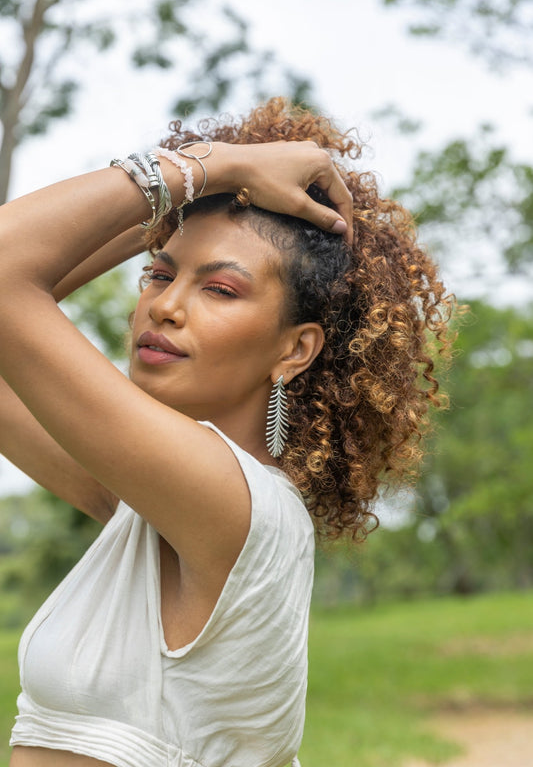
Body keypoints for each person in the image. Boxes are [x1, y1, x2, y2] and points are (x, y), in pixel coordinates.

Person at [0, 97, 453, 767]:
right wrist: (188, 202)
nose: (165, 306)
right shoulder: (153, 503)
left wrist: (216, 166)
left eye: (220, 290)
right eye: (159, 273)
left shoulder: (237, 510)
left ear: (294, 350)